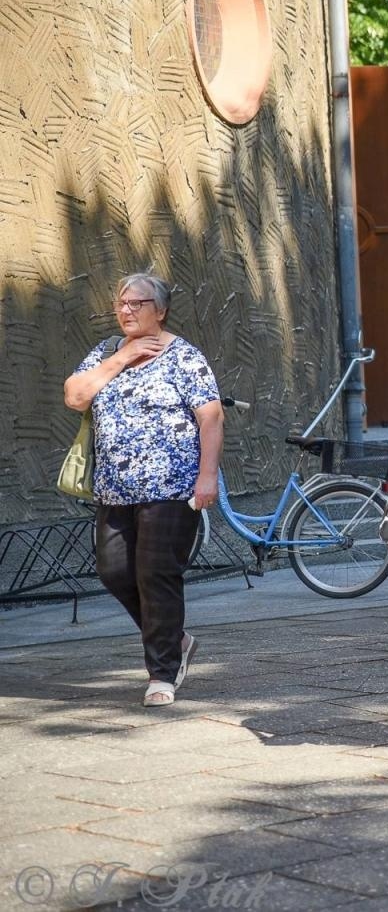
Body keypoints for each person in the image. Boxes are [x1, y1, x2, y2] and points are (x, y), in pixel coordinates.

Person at [64, 273, 219, 707]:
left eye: (137, 303)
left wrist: (207, 477)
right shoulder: (104, 351)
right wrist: (122, 356)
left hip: (171, 487)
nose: (127, 310)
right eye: (122, 303)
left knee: (156, 577)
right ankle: (177, 638)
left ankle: (161, 674)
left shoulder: (184, 357)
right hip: (114, 490)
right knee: (114, 572)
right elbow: (75, 396)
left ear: (161, 309)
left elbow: (210, 418)